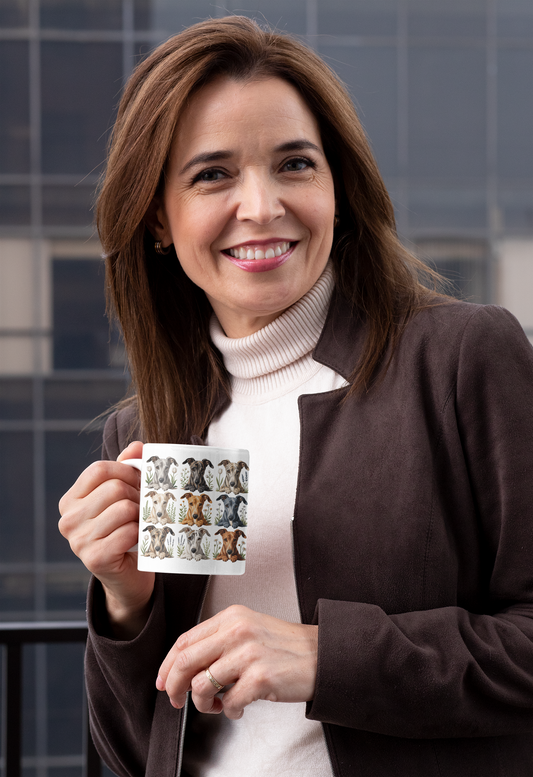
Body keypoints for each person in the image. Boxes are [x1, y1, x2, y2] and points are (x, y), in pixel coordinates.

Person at [58, 15, 533, 777]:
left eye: (294, 165)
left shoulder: (457, 359)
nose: (262, 205)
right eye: (212, 174)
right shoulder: (148, 430)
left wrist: (322, 655)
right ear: (156, 217)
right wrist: (125, 601)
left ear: (337, 187)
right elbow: (128, 750)